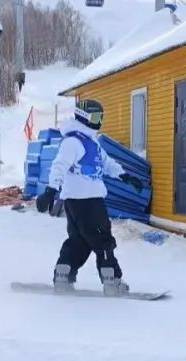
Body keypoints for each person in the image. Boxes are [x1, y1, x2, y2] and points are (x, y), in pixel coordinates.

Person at [35, 99, 145, 296]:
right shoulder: (73, 142)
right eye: (95, 117)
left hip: (78, 202)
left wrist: (125, 176)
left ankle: (63, 275)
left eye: (101, 117)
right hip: (89, 201)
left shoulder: (91, 142)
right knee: (103, 240)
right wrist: (50, 191)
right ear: (84, 117)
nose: (99, 121)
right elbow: (59, 165)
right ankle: (112, 281)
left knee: (79, 241)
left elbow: (107, 163)